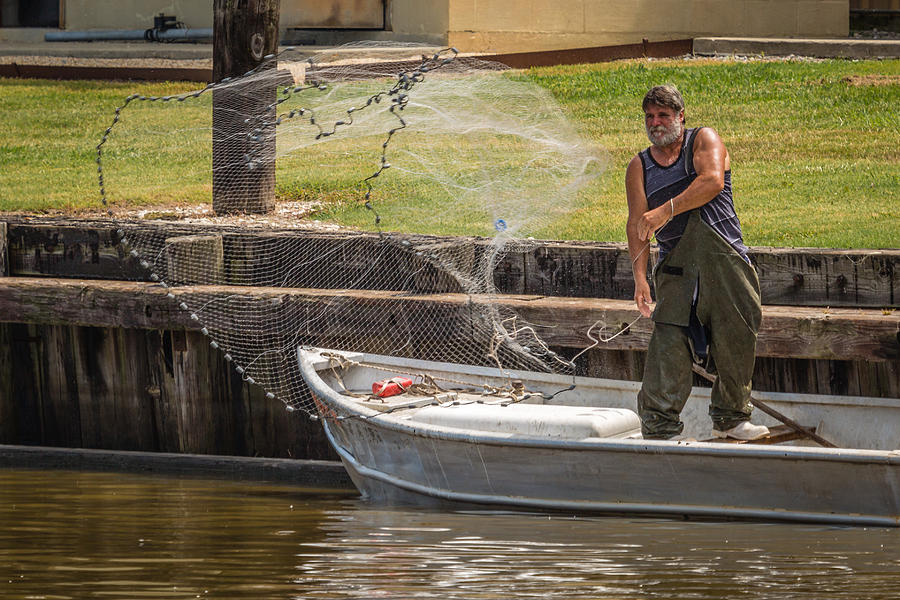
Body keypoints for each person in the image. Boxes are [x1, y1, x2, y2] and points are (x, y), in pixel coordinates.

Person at [624, 84, 769, 441]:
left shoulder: (704, 141)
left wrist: (666, 210)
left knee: (736, 339)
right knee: (667, 347)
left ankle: (731, 420)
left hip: (727, 263)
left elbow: (712, 182)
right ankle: (659, 430)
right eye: (649, 117)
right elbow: (636, 225)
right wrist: (640, 280)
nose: (656, 123)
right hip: (675, 269)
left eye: (663, 115)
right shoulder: (639, 166)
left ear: (680, 116)